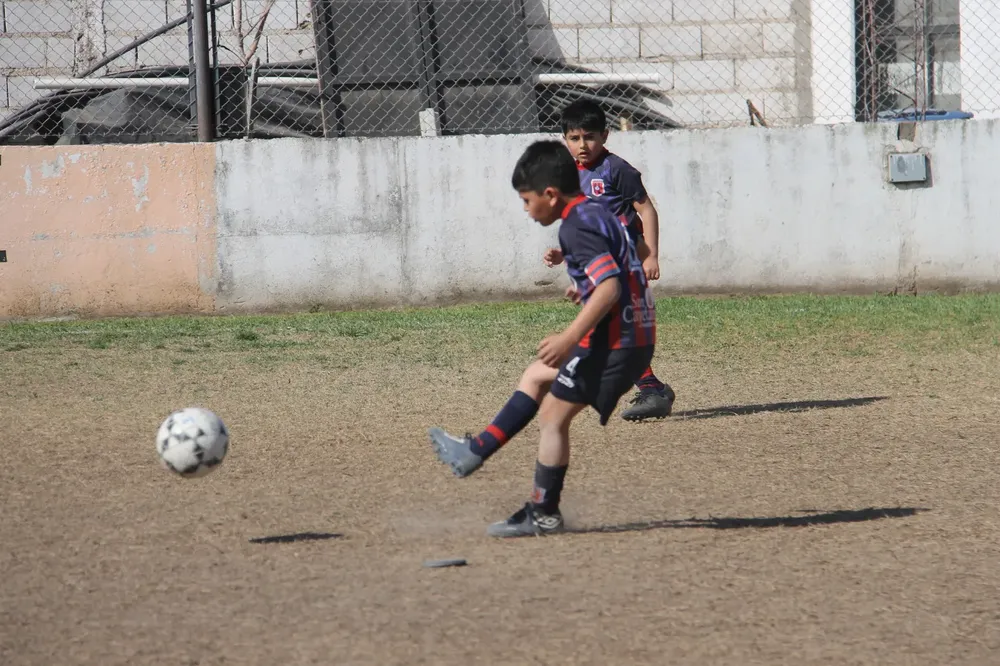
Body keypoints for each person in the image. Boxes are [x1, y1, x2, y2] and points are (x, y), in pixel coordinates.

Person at [428, 140, 656, 538]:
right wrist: (583, 285)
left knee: (552, 417)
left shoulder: (575, 225)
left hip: (616, 343)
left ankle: (543, 512)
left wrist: (569, 336)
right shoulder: (596, 212)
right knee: (535, 376)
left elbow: (610, 289)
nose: (525, 209)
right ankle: (476, 451)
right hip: (634, 333)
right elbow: (625, 259)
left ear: (549, 195)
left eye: (526, 200)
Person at [543, 99, 675, 422]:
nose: (582, 145)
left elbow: (646, 209)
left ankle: (652, 390)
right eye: (574, 138)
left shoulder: (617, 170)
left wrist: (652, 255)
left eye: (589, 137)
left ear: (605, 135)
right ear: (565, 140)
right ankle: (653, 387)